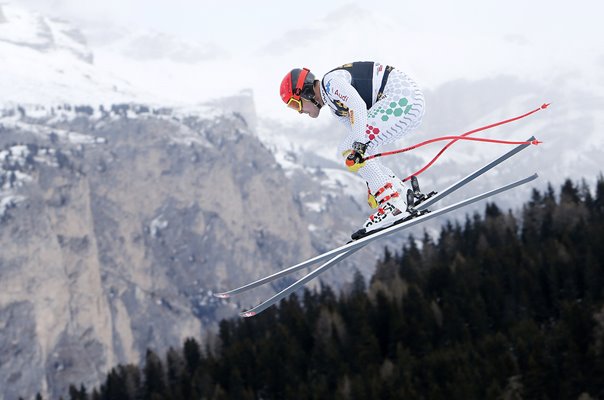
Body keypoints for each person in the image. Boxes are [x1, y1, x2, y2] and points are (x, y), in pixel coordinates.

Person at [279, 61, 425, 236]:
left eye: (295, 104)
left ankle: (392, 204)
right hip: (406, 102)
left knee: (349, 146)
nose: (299, 111)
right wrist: (374, 184)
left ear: (306, 92)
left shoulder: (331, 82)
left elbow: (357, 106)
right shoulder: (335, 107)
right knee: (354, 147)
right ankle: (400, 194)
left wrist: (360, 152)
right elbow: (364, 147)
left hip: (401, 98)